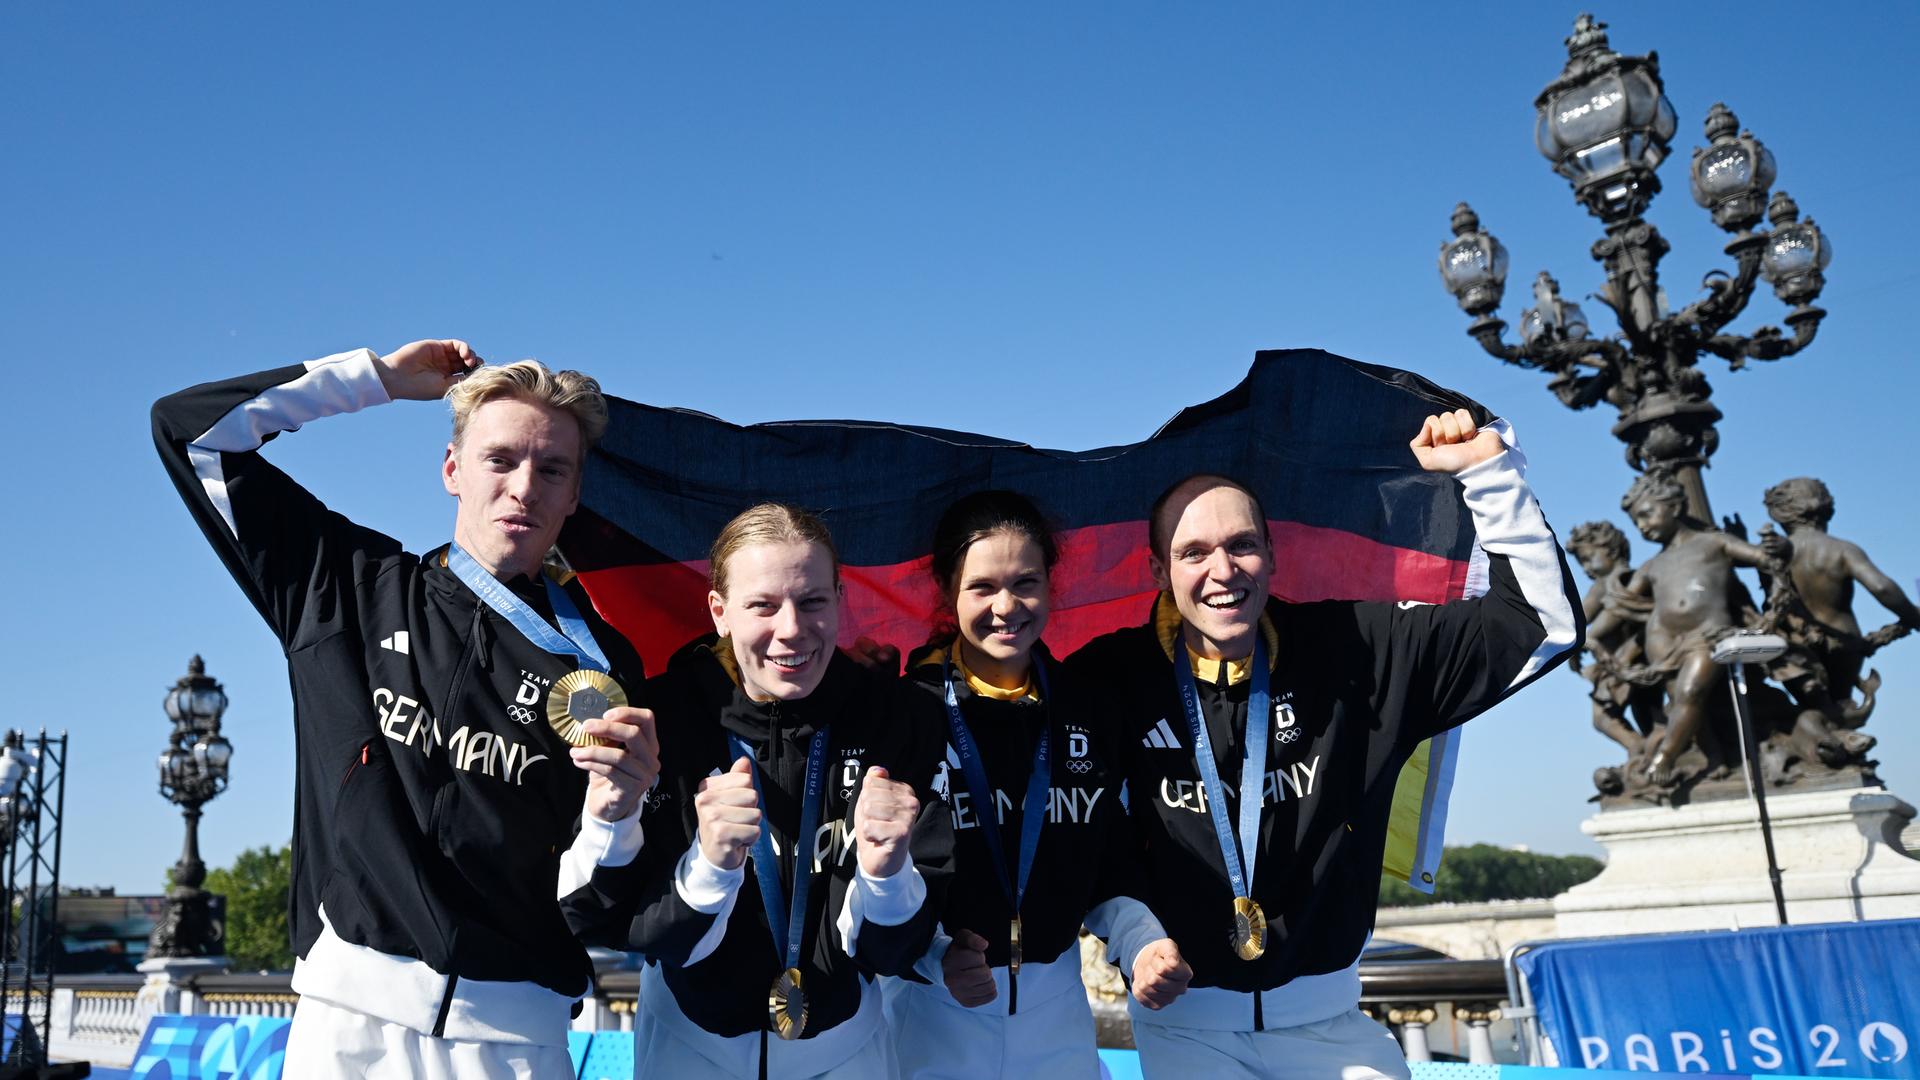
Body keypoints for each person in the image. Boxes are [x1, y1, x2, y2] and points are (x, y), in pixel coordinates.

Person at [152, 340, 661, 1077]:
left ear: (575, 494)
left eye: (552, 469)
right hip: (346, 1027)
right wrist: (374, 380)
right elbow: (186, 429)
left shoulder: (600, 670)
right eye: (500, 459)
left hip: (513, 1043)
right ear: (453, 469)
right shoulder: (346, 586)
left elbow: (596, 907)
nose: (525, 486)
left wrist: (616, 819)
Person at [1067, 408, 1582, 1079]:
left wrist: (1488, 475)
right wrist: (1136, 939)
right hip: (1186, 1035)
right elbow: (1076, 836)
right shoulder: (1104, 679)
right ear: (1159, 569)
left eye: (1242, 545)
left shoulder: (1358, 649)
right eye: (1193, 552)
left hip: (1335, 1031)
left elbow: (1543, 625)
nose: (1222, 570)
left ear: (1273, 554)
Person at [565, 503, 952, 1079]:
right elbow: (598, 918)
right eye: (763, 606)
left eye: (813, 601)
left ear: (841, 601)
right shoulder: (664, 717)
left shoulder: (897, 719)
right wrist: (709, 867)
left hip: (846, 1049)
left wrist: (888, 873)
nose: (791, 629)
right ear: (720, 612)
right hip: (689, 1046)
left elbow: (897, 953)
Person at [881, 491, 1187, 1079]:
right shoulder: (903, 713)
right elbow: (874, 884)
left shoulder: (1090, 706)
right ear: (947, 589)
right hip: (930, 1017)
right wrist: (934, 956)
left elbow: (1110, 860)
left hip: (1059, 1019)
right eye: (982, 587)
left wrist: (1141, 939)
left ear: (1051, 584)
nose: (1006, 606)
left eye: (1025, 582)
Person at [1591, 472, 1781, 785]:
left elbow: (1765, 560)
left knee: (1690, 693)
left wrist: (1774, 546)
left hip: (1707, 634)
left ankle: (1665, 757)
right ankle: (1714, 757)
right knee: (1681, 702)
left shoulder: (1713, 543)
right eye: (1636, 521)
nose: (1642, 526)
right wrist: (1590, 636)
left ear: (1675, 506)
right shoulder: (1654, 564)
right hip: (1663, 642)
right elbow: (1621, 605)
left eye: (1647, 514)